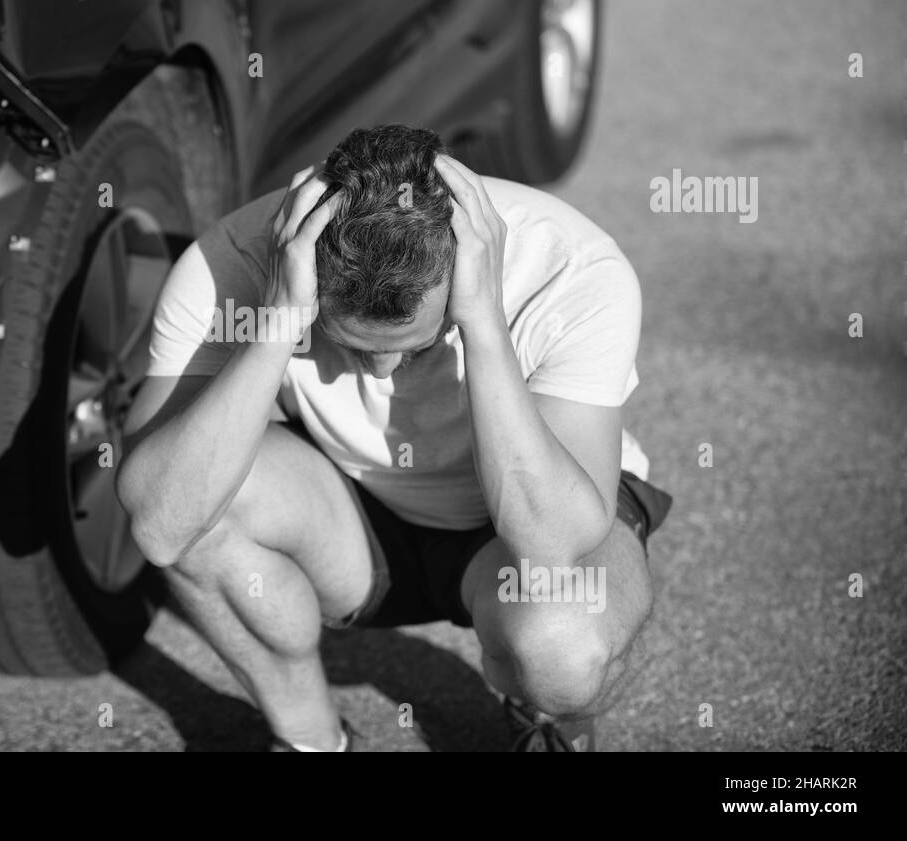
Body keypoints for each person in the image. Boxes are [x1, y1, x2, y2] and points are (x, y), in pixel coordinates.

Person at [115, 124, 672, 751]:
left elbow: (553, 550)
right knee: (198, 507)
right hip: (358, 513)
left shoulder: (569, 266)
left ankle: (543, 711)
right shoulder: (230, 264)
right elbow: (162, 527)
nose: (380, 373)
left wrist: (483, 322)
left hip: (531, 523)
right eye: (350, 344)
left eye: (415, 347)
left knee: (564, 652)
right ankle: (313, 741)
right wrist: (279, 321)